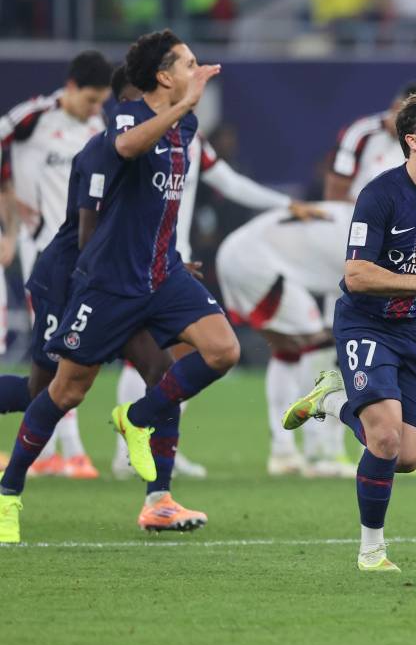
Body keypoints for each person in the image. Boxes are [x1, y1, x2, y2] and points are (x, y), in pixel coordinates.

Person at [0, 29, 239, 544]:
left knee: (219, 351)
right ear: (163, 77)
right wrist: (184, 106)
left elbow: (159, 208)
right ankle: (8, 494)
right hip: (106, 283)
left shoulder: (187, 124)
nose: (199, 72)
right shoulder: (124, 120)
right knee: (61, 390)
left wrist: (175, 257)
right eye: (190, 64)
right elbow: (126, 150)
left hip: (163, 275)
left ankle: (146, 449)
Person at [283, 89, 416, 572]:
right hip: (367, 324)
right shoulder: (380, 195)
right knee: (385, 439)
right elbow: (356, 275)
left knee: (411, 456)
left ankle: (332, 400)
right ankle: (372, 550)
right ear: (413, 140)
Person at [109, 64, 328, 481]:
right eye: (185, 68)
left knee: (189, 356)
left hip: (176, 262)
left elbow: (227, 180)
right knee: (114, 364)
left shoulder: (188, 133)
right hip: (139, 264)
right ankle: (122, 452)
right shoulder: (131, 139)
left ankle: (155, 447)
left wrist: (283, 205)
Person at [0, 50, 110, 477]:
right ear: (69, 88)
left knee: (67, 350)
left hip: (83, 255)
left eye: (102, 102)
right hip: (42, 252)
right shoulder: (35, 116)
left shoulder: (97, 127)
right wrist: (9, 201)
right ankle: (68, 449)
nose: (96, 110)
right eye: (90, 100)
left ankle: (50, 452)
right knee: (60, 350)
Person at [216, 201, 355, 476]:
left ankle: (283, 451)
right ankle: (317, 454)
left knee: (289, 349)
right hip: (254, 262)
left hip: (240, 253)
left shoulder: (355, 216)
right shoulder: (369, 240)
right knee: (318, 343)